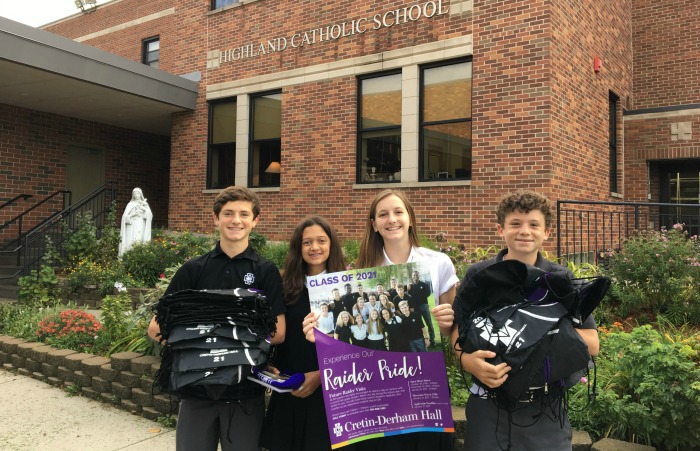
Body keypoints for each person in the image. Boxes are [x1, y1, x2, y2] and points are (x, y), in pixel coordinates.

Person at [304, 189, 458, 451]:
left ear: (410, 218)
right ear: (374, 224)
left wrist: (447, 324)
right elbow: (353, 337)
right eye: (383, 214)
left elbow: (450, 334)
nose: (392, 219)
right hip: (378, 389)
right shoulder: (360, 271)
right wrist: (318, 334)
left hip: (424, 387)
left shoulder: (438, 263)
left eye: (398, 212)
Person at [451, 190, 600, 451]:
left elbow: (591, 342)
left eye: (534, 225)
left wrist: (527, 333)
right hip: (487, 407)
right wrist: (467, 361)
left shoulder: (560, 279)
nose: (524, 231)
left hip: (545, 409)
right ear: (501, 229)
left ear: (547, 233)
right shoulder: (479, 274)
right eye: (515, 224)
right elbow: (458, 329)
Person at [147, 186, 286, 451]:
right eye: (228, 213)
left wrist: (205, 329)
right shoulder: (194, 269)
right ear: (216, 218)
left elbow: (278, 332)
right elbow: (155, 328)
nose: (236, 220)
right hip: (196, 393)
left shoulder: (265, 270)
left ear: (255, 220)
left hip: (245, 394)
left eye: (244, 214)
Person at [260, 215, 347, 451]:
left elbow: (355, 347)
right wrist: (268, 362)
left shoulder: (344, 288)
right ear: (298, 247)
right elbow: (275, 334)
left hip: (332, 389)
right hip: (291, 386)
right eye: (307, 242)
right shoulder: (283, 285)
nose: (314, 247)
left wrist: (321, 375)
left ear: (332, 245)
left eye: (321, 240)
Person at [118, 187, 153, 257]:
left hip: (140, 224)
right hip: (131, 225)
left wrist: (144, 210)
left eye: (137, 194)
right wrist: (131, 215)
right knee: (130, 240)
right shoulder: (130, 204)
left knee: (138, 238)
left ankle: (138, 255)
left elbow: (149, 215)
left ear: (140, 194)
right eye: (134, 194)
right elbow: (124, 217)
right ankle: (128, 255)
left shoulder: (144, 204)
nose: (136, 195)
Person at [408, 270, 436, 347]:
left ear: (418, 276)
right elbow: (408, 295)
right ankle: (423, 341)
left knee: (429, 324)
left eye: (416, 275)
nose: (415, 277)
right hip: (415, 308)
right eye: (414, 275)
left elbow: (428, 293)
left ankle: (432, 341)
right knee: (418, 325)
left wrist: (420, 298)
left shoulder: (424, 285)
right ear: (412, 277)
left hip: (424, 306)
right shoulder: (410, 287)